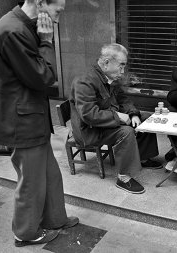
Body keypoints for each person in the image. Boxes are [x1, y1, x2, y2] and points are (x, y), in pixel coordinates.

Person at [0, 0, 78, 247]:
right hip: (20, 121)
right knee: (32, 182)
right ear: (42, 4)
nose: (57, 21)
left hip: (28, 117)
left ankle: (55, 218)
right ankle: (25, 232)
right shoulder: (13, 31)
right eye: (57, 12)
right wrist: (46, 41)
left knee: (49, 176)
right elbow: (45, 78)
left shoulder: (19, 26)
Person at [69, 43, 162, 194]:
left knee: (144, 118)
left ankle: (143, 157)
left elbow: (123, 99)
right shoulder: (85, 80)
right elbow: (88, 114)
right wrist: (119, 116)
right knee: (125, 132)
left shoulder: (109, 76)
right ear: (106, 63)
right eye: (121, 66)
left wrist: (132, 114)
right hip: (90, 131)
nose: (123, 71)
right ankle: (123, 177)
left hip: (104, 124)